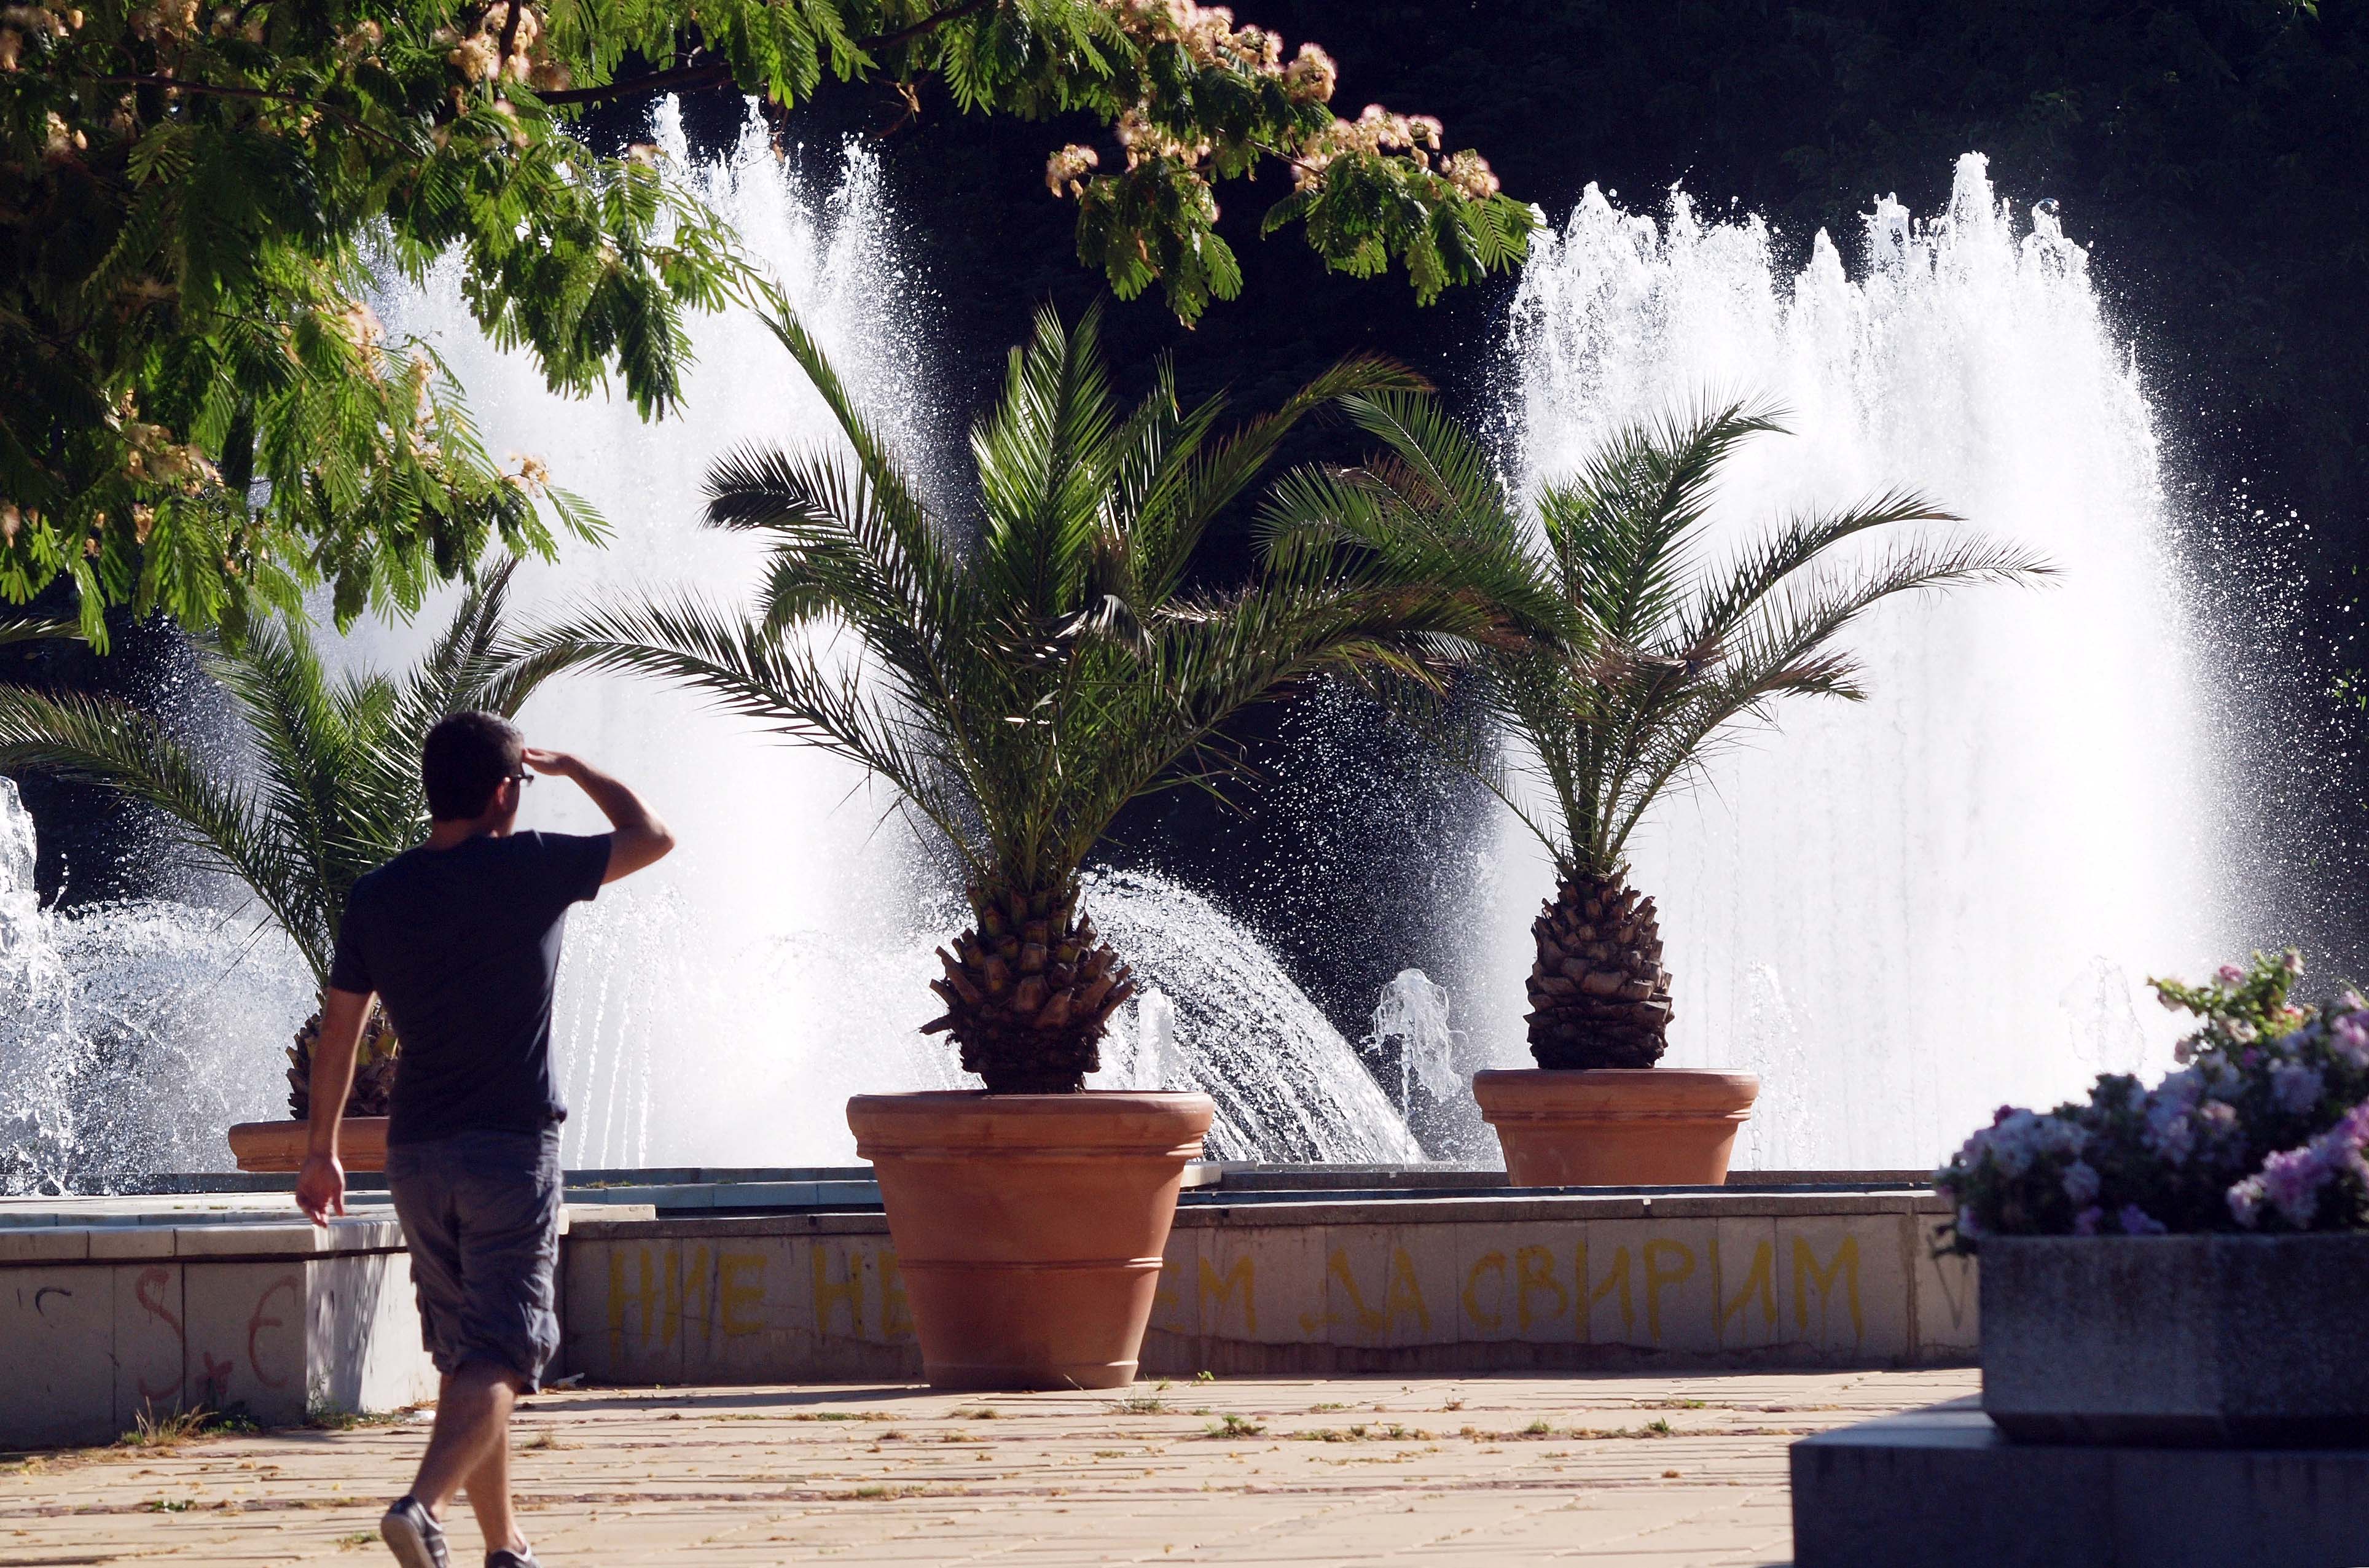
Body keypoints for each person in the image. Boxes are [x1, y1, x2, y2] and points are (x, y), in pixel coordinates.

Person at [294, 711, 675, 1568]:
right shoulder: (529, 864)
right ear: (506, 791)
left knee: (472, 1356)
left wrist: (322, 1149)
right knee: (501, 1349)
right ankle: (421, 1508)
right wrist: (577, 765)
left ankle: (507, 1546)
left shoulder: (378, 896)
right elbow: (652, 835)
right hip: (508, 1149)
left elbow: (340, 1032)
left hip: (418, 1157)